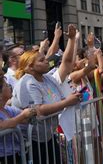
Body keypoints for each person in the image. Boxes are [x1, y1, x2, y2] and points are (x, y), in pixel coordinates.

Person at [11, 25, 82, 164]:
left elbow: (67, 64)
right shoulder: (28, 82)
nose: (46, 62)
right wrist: (67, 102)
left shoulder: (48, 78)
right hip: (31, 141)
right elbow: (38, 110)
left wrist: (72, 39)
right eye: (41, 60)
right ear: (30, 67)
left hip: (48, 136)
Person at [0, 72, 37, 163]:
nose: (10, 87)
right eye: (6, 85)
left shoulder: (7, 109)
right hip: (4, 157)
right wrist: (23, 115)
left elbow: (24, 118)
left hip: (16, 154)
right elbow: (2, 125)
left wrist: (31, 113)